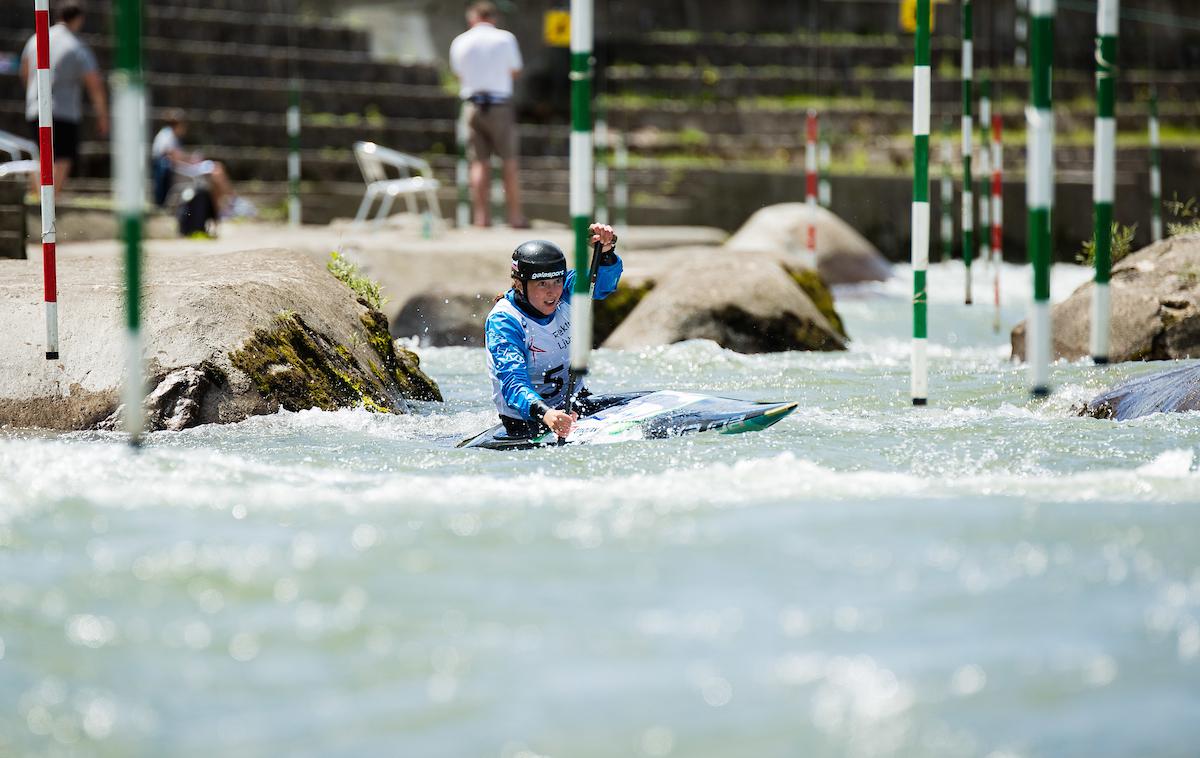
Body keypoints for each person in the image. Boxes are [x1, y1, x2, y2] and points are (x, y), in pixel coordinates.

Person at [486, 224, 620, 440]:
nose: (552, 292)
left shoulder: (567, 291)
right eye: (542, 284)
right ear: (520, 284)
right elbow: (513, 382)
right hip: (528, 419)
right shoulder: (505, 321)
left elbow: (603, 284)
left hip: (575, 403)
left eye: (557, 281)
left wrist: (605, 252)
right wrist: (547, 414)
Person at [449, 1, 528, 229]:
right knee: (509, 162)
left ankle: (481, 218)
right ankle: (515, 217)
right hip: (499, 104)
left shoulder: (461, 40)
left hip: (472, 105)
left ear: (472, 18)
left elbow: (458, 74)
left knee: (479, 163)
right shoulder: (505, 39)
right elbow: (515, 70)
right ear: (493, 18)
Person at [19, 1, 108, 193]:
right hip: (64, 110)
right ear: (78, 19)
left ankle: (38, 198)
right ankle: (51, 200)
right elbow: (94, 84)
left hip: (36, 107)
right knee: (63, 158)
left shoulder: (35, 39)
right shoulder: (76, 46)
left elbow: (24, 70)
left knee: (42, 156)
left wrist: (33, 94)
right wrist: (102, 115)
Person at [150, 109, 235, 215]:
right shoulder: (167, 136)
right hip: (181, 172)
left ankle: (226, 206)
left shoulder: (168, 135)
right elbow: (174, 158)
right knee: (216, 171)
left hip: (183, 169)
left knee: (216, 171)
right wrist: (192, 161)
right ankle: (231, 203)